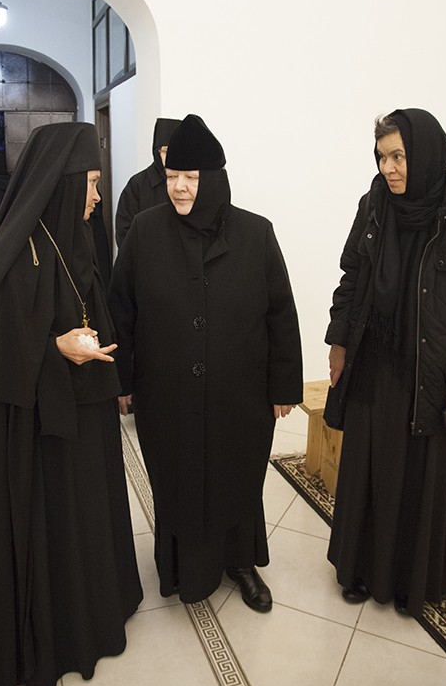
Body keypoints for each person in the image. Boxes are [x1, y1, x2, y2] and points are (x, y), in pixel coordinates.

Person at [0, 122, 143, 686]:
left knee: (88, 512)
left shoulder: (76, 238)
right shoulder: (14, 253)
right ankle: (59, 636)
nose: (97, 197)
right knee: (57, 523)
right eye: (90, 184)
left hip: (84, 412)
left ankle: (97, 611)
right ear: (62, 184)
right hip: (37, 433)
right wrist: (54, 349)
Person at [109, 114, 303, 611]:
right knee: (177, 479)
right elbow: (121, 310)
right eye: (172, 175)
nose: (178, 187)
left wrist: (284, 387)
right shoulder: (146, 231)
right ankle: (180, 568)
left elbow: (281, 315)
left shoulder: (256, 233)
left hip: (239, 397)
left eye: (190, 178)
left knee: (236, 478)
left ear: (213, 179)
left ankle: (241, 563)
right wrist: (122, 380)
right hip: (166, 394)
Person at [325, 108, 446, 618]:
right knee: (369, 472)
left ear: (424, 154)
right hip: (374, 364)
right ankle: (359, 569)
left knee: (421, 481)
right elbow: (351, 276)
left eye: (398, 156)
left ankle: (410, 581)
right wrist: (338, 343)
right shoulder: (373, 205)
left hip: (434, 376)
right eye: (382, 157)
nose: (388, 168)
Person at [114, 117, 180, 247]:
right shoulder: (137, 185)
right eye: (166, 151)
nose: (172, 156)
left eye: (176, 150)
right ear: (157, 151)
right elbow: (124, 232)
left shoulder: (187, 183)